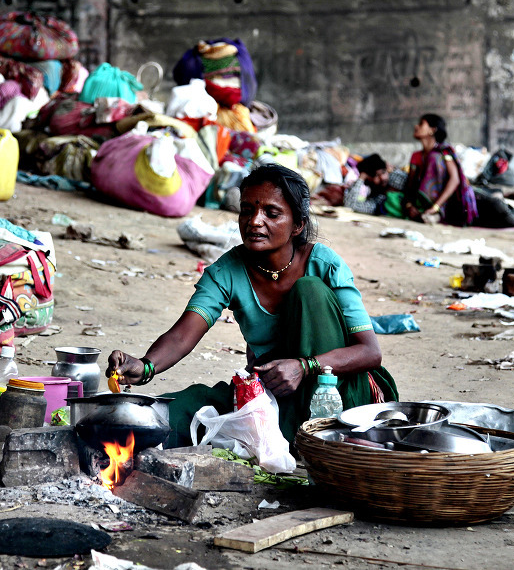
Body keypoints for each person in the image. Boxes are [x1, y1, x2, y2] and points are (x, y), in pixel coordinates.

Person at [106, 164, 399, 447]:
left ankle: (313, 436)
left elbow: (370, 352)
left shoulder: (324, 264)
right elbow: (184, 333)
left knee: (309, 291)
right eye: (247, 210)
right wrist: (146, 366)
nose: (254, 221)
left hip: (340, 397)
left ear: (297, 225)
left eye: (271, 213)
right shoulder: (226, 271)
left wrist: (304, 367)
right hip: (276, 395)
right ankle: (287, 435)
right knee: (171, 413)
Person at [402, 113, 478, 226]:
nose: (416, 127)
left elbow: (455, 179)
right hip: (423, 202)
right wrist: (409, 205)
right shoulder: (416, 156)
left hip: (448, 201)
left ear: (432, 130)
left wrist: (436, 207)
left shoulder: (443, 152)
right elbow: (410, 186)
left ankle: (437, 213)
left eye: (421, 124)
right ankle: (426, 212)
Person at [343, 153, 407, 216]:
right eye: (376, 176)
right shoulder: (376, 201)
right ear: (368, 179)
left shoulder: (397, 178)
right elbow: (350, 205)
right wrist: (361, 179)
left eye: (383, 172)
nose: (382, 178)